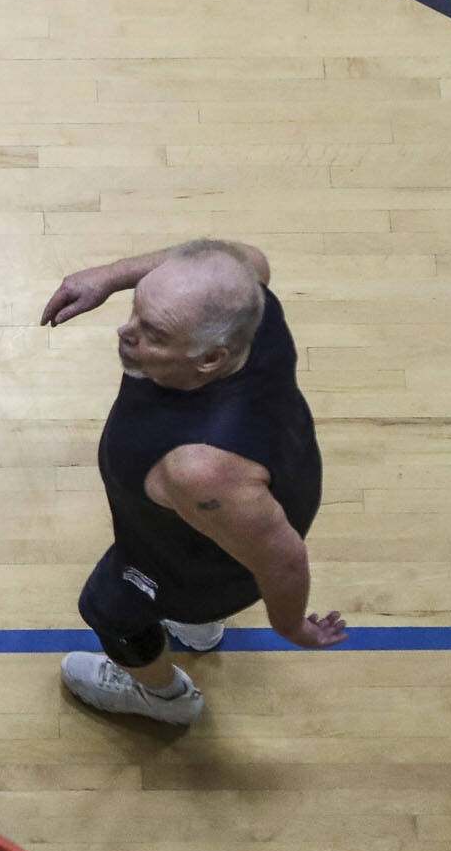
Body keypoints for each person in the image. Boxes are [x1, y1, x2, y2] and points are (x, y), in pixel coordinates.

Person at [41, 239, 346, 724]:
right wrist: (112, 275)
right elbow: (234, 255)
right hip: (273, 489)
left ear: (209, 360)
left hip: (205, 557)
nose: (126, 333)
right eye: (136, 310)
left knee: (109, 611)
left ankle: (165, 699)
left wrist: (291, 627)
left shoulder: (199, 470)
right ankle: (199, 627)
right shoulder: (247, 295)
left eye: (154, 333)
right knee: (206, 557)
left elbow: (284, 559)